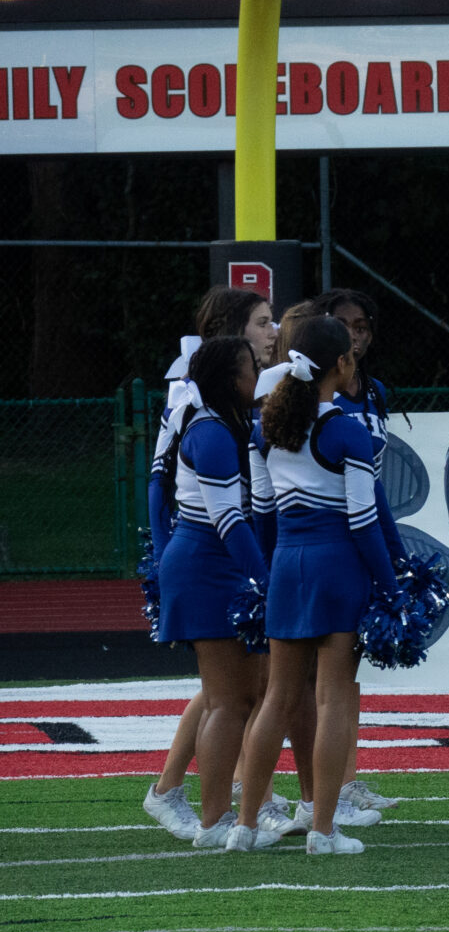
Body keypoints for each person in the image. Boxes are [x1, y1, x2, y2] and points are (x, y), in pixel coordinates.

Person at [234, 317, 398, 854]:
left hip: (287, 566)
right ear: (342, 364)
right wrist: (391, 585)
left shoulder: (266, 429)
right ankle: (324, 832)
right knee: (331, 700)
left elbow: (262, 516)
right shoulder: (347, 431)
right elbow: (364, 522)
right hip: (338, 570)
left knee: (277, 698)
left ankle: (244, 827)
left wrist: (268, 574)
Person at [141, 287, 278, 840]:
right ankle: (215, 817)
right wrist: (266, 580)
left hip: (214, 562)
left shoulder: (227, 425)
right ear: (229, 379)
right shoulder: (212, 432)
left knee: (241, 697)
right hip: (206, 563)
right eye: (251, 370)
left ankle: (226, 809)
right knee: (227, 701)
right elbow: (227, 521)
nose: (259, 377)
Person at [307, 288, 402, 818]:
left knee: (346, 674)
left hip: (361, 535)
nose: (355, 335)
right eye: (345, 325)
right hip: (330, 538)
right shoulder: (311, 398)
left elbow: (374, 480)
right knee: (295, 683)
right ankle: (268, 791)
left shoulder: (375, 392)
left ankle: (344, 781)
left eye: (362, 325)